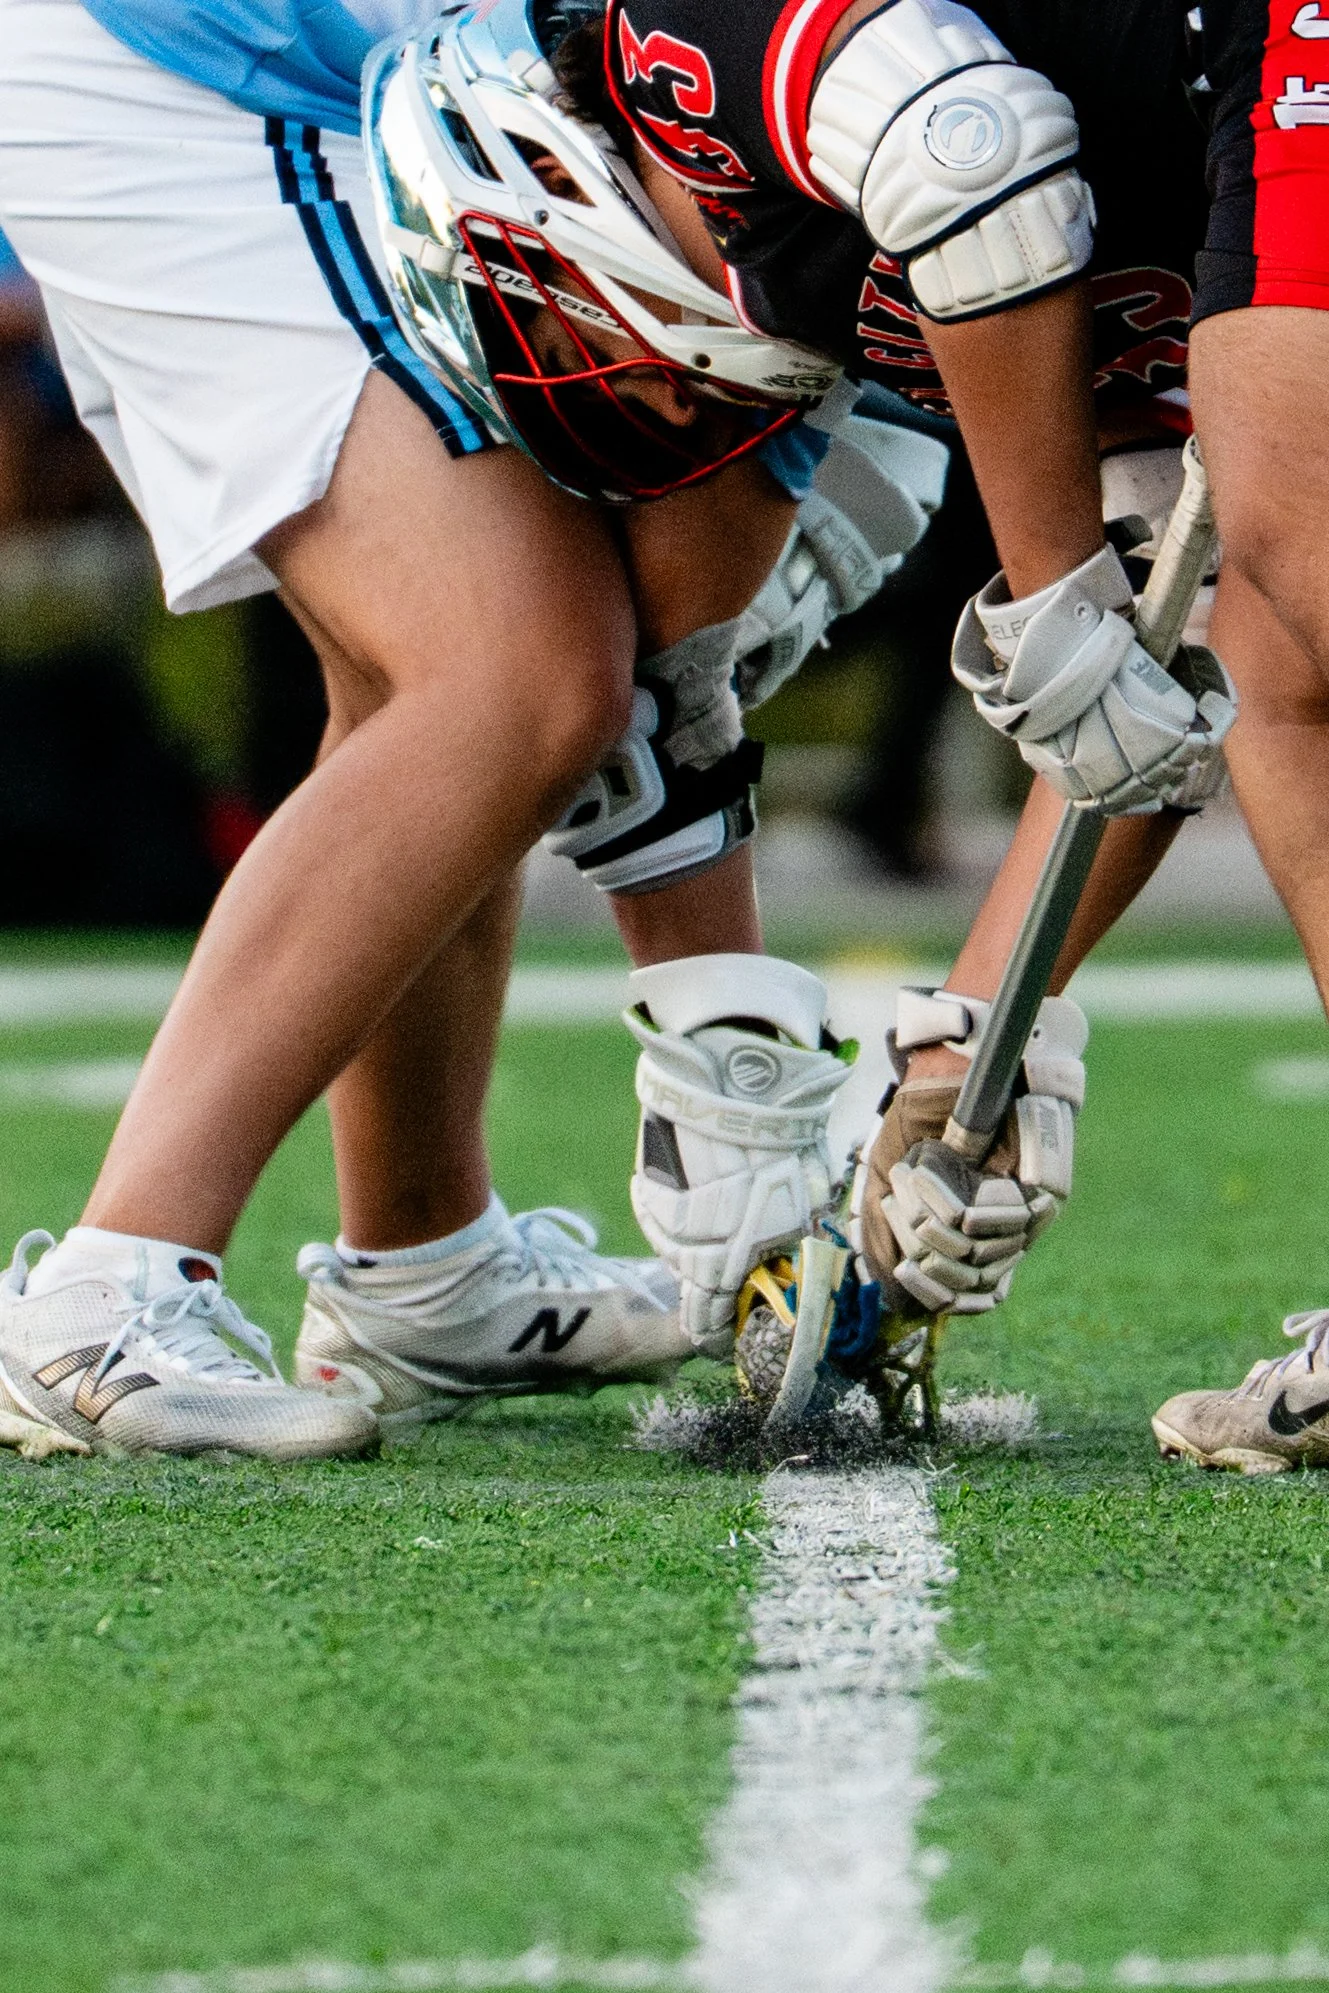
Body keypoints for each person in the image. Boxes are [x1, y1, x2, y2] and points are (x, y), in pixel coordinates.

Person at [0, 0, 916, 1458]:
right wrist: (727, 1044)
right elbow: (714, 309)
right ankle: (102, 1294)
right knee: (519, 679)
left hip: (332, 68)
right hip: (202, 64)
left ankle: (422, 1258)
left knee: (433, 683)